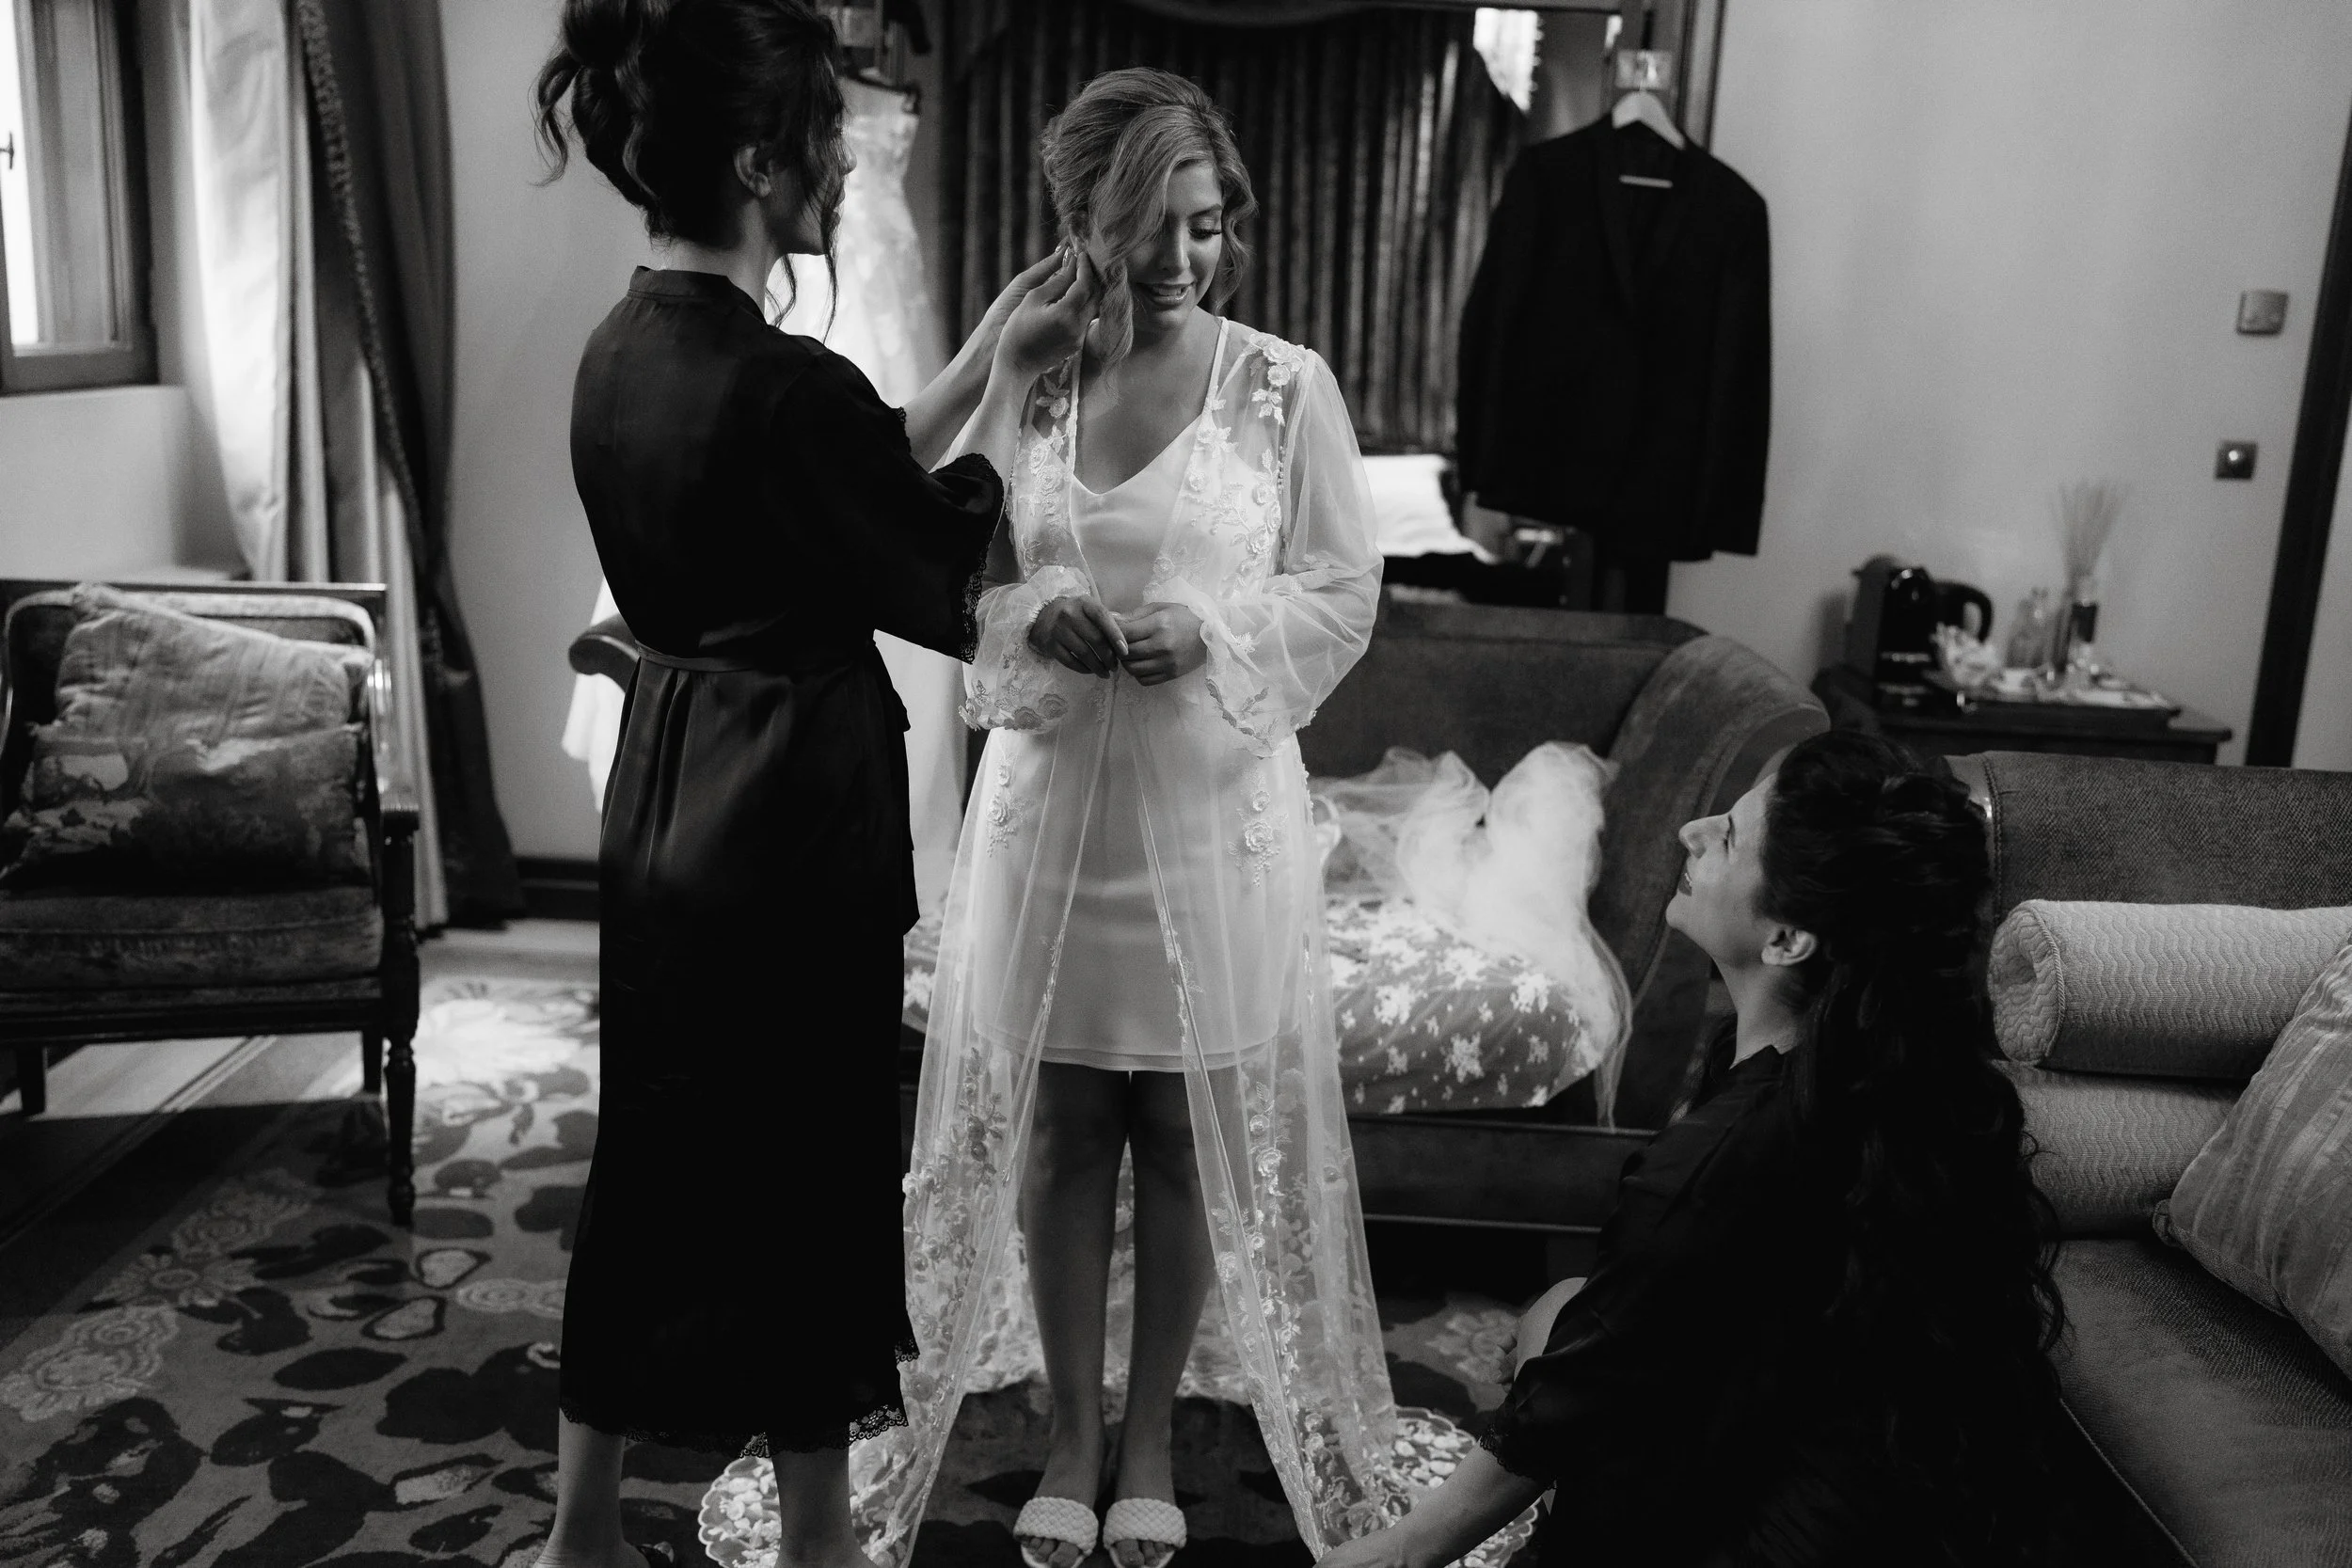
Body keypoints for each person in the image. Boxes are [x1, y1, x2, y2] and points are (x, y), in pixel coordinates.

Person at [531, 4, 1090, 1565]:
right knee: (810, 1175)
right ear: (758, 161)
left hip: (666, 790)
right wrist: (1016, 416)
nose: (843, 168)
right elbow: (926, 548)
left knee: (651, 1155)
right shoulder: (786, 385)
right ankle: (823, 1546)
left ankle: (580, 1531)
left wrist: (981, 359)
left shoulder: (619, 351)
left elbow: (839, 477)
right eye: (827, 141)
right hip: (788, 818)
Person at [857, 66, 1397, 1568]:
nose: (1181, 258)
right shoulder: (1034, 375)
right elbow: (938, 555)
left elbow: (1344, 589)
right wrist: (1033, 611)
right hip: (1052, 816)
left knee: (1176, 1129)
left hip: (1211, 809)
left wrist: (1213, 635)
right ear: (1081, 222)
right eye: (1148, 227)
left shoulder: (1285, 385)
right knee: (1063, 1126)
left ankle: (1149, 1430)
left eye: (1205, 225)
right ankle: (1070, 1433)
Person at [1314, 729, 2069, 1568]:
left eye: (1731, 836)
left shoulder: (1732, 1152)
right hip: (1901, 1511)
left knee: (1558, 1329)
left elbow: (1574, 1397)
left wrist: (1405, 1548)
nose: (1691, 831)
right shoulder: (1897, 1079)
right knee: (1564, 1308)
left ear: (1787, 938)